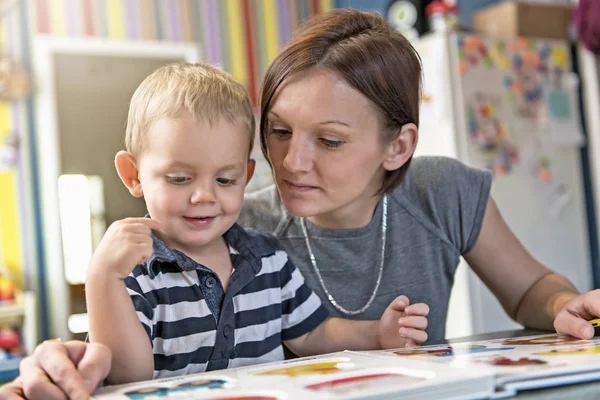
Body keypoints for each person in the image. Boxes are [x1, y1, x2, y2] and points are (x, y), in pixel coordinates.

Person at [4, 7, 600, 400]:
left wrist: (563, 304)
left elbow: (529, 292)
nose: (291, 163)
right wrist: (56, 359)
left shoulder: (441, 191)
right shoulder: (233, 226)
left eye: (330, 140)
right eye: (281, 131)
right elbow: (135, 345)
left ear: (399, 145)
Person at [85, 62, 428, 385]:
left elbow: (312, 334)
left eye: (225, 180)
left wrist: (377, 334)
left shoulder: (266, 256)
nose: (204, 196)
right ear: (134, 175)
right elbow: (128, 378)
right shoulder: (134, 272)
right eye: (179, 179)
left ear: (245, 177)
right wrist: (102, 278)